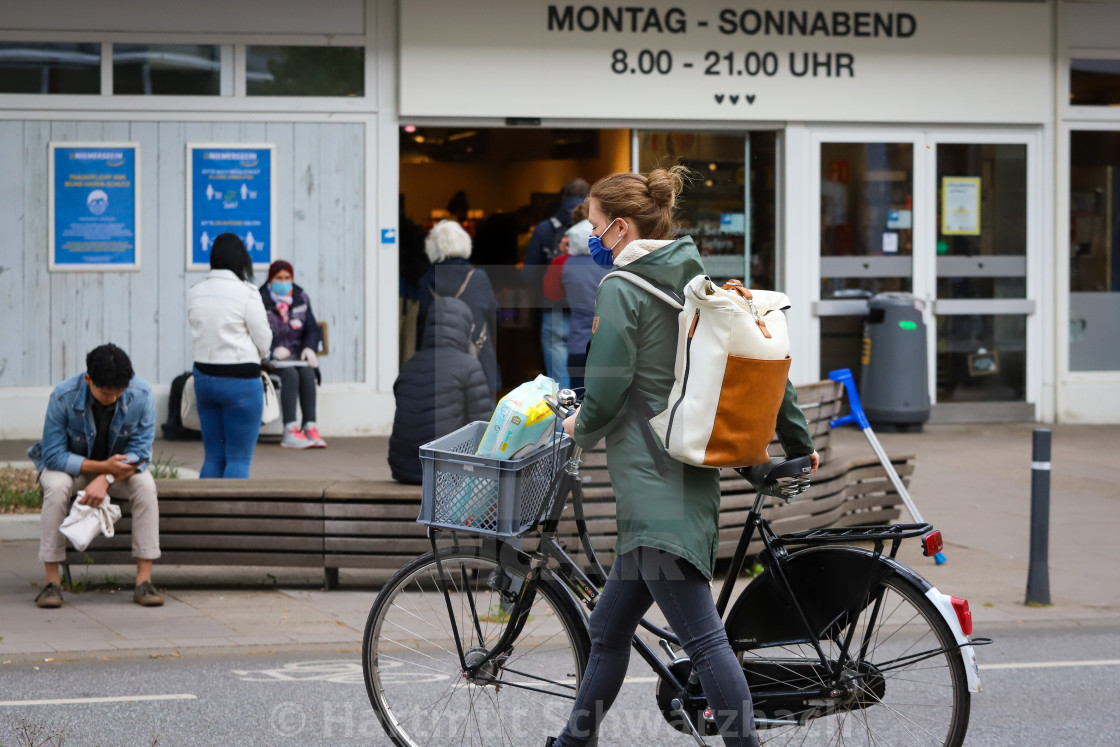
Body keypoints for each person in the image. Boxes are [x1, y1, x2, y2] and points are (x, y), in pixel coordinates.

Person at [551, 167, 820, 747]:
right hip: (686, 476)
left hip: (655, 491)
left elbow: (605, 392)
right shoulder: (695, 280)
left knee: (703, 641)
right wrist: (799, 443)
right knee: (607, 630)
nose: (590, 238)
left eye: (595, 227)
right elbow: (761, 366)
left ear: (620, 228)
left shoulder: (622, 289)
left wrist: (576, 426)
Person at [27, 344, 163, 608]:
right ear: (88, 379)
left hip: (118, 472)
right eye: (106, 393)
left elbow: (141, 454)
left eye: (119, 392)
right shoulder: (63, 396)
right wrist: (103, 469)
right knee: (55, 488)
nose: (114, 398)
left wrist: (107, 478)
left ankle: (143, 582)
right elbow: (54, 456)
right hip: (73, 469)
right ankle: (51, 582)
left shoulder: (142, 394)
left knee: (146, 486)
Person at [187, 233, 272, 478]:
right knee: (238, 460)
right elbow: (264, 338)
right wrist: (261, 354)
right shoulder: (247, 292)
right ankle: (230, 517)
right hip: (241, 380)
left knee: (213, 457)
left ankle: (204, 515)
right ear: (241, 260)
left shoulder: (195, 291)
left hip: (204, 377)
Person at [388, 297, 493, 484]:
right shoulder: (469, 366)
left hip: (403, 468)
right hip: (446, 472)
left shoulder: (409, 365)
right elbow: (484, 426)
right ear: (466, 329)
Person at [417, 220, 500, 395]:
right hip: (479, 363)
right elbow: (494, 320)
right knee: (483, 420)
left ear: (432, 248)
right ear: (465, 243)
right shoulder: (479, 278)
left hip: (438, 368)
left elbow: (422, 328)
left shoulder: (425, 282)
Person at [524, 178, 589, 387]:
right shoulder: (600, 229)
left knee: (558, 386)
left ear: (562, 198)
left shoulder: (544, 229)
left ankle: (563, 420)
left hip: (554, 312)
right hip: (589, 314)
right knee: (590, 383)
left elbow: (529, 274)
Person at [259, 259, 325, 449]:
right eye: (279, 278)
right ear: (271, 280)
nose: (284, 281)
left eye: (287, 278)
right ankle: (290, 428)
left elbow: (311, 328)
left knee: (307, 373)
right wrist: (271, 351)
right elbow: (255, 332)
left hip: (297, 356)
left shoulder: (300, 297)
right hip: (271, 360)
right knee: (290, 375)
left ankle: (310, 426)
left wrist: (309, 347)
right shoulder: (259, 299)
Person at [555, 205, 606, 391]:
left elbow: (553, 294)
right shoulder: (610, 265)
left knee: (577, 397)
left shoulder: (566, 264)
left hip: (577, 342)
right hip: (605, 345)